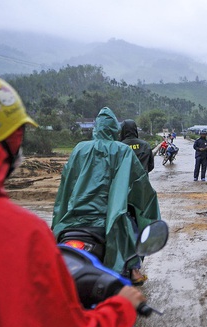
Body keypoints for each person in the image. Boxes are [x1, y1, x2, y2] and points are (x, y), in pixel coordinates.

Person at [0, 69, 145, 327]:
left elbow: (64, 189)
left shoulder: (77, 151)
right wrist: (119, 310)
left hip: (70, 222)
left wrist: (58, 224)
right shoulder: (18, 232)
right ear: (5, 141)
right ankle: (132, 268)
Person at [52, 106, 160, 285]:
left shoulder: (79, 149)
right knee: (129, 230)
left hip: (74, 220)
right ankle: (134, 271)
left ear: (96, 128)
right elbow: (141, 186)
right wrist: (150, 214)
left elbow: (66, 186)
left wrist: (57, 221)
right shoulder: (122, 151)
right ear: (113, 130)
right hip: (108, 221)